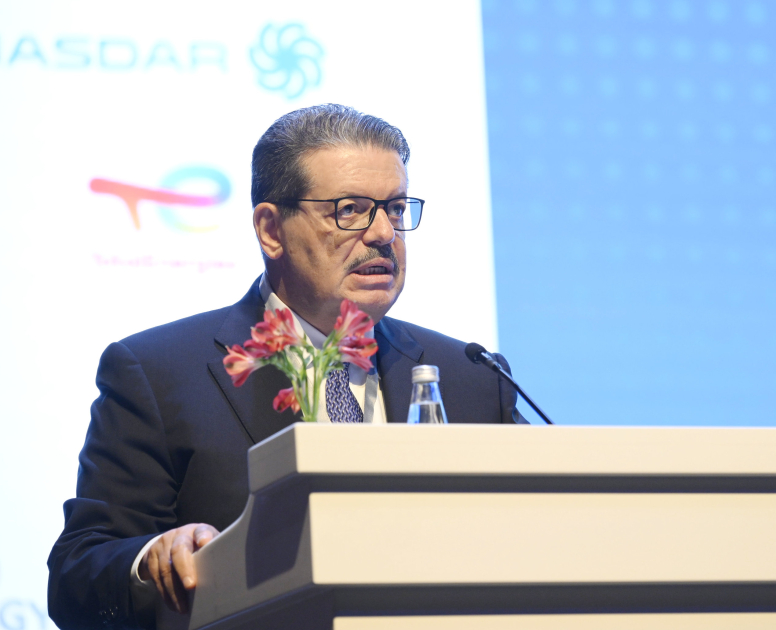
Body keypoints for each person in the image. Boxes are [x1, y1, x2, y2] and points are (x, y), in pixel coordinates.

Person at [47, 104, 522, 629]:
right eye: (350, 210)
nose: (384, 233)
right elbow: (77, 574)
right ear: (271, 230)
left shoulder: (474, 377)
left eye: (395, 207)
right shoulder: (158, 373)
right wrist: (151, 560)